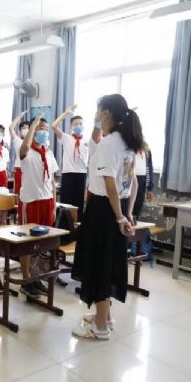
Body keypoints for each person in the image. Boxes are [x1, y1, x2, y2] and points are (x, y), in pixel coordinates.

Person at [71, 94, 143, 340]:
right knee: (108, 261)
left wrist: (120, 217)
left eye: (98, 110)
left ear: (106, 113)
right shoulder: (127, 141)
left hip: (104, 209)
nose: (97, 115)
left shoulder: (109, 143)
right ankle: (105, 316)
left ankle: (100, 326)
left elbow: (111, 185)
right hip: (117, 207)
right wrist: (127, 213)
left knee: (100, 262)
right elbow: (133, 182)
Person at [18, 117, 59, 298]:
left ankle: (35, 277)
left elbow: (52, 181)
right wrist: (33, 126)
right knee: (28, 242)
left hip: (47, 201)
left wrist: (54, 205)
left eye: (45, 129)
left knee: (41, 243)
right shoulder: (27, 152)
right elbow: (23, 148)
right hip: (31, 201)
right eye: (39, 128)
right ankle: (25, 279)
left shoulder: (49, 153)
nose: (43, 132)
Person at [51, 105, 88, 220]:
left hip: (82, 174)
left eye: (80, 123)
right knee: (66, 204)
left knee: (79, 205)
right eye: (75, 124)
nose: (78, 126)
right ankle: (64, 226)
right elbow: (53, 126)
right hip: (68, 174)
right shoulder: (66, 138)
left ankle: (78, 227)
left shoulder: (87, 141)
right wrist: (66, 113)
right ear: (71, 126)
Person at [9, 110, 29, 223]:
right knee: (19, 195)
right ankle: (19, 217)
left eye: (28, 128)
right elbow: (10, 128)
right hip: (19, 170)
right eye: (23, 128)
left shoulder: (32, 142)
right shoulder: (17, 140)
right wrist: (19, 116)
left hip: (29, 171)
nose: (25, 130)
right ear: (20, 130)